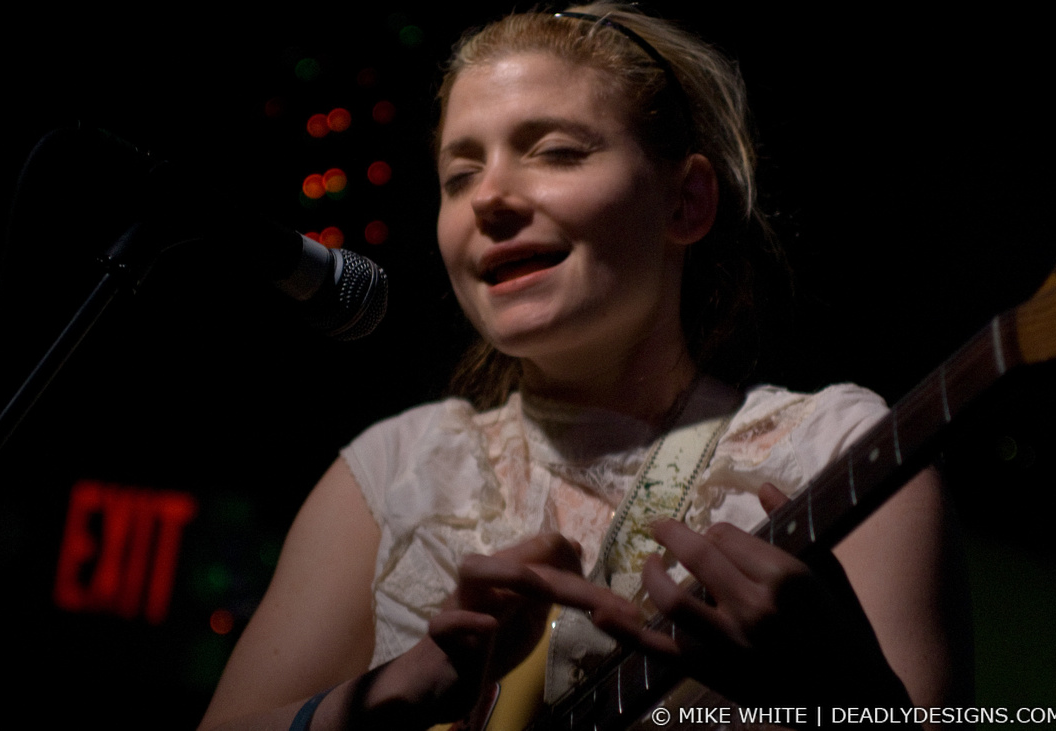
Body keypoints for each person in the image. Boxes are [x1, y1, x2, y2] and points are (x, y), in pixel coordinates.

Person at [197, 4, 972, 729]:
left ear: (687, 202)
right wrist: (404, 684)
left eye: (556, 152)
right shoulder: (393, 469)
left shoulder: (843, 450)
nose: (489, 198)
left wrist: (841, 696)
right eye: (459, 175)